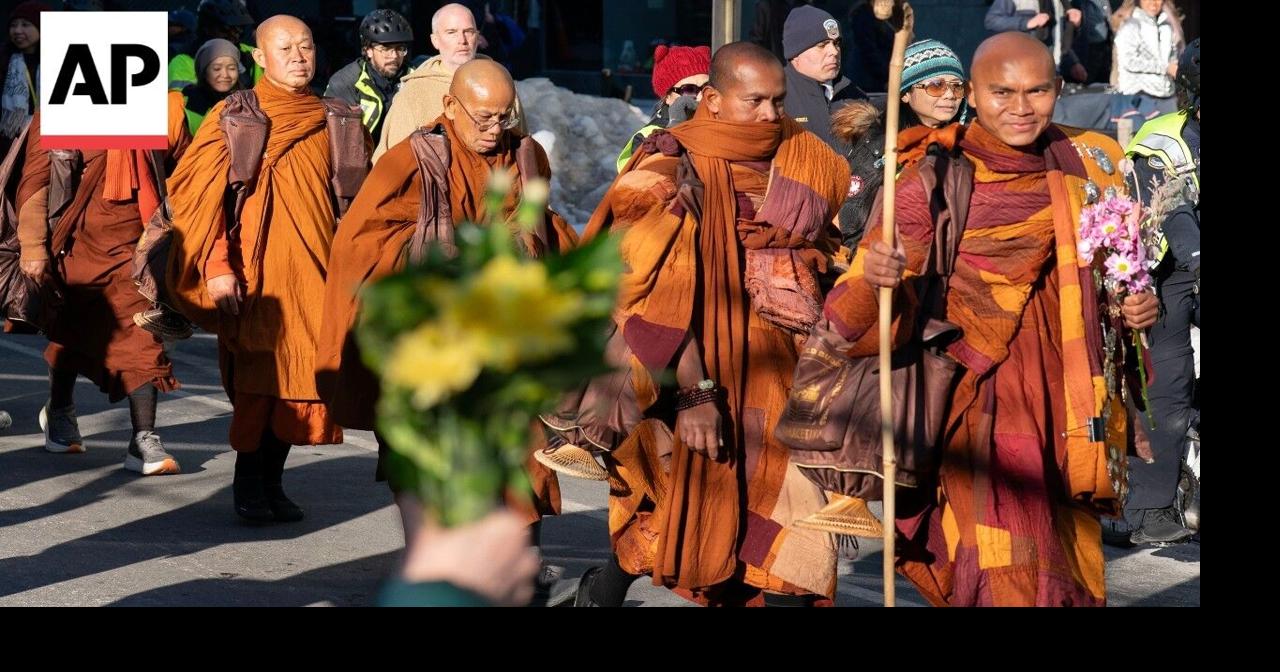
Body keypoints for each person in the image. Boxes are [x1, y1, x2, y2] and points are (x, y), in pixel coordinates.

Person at [822, 32, 1159, 606]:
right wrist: (880, 278)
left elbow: (1112, 277)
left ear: (1059, 90)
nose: (1021, 108)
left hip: (1067, 396)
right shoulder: (930, 179)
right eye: (1002, 92)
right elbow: (848, 314)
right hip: (972, 399)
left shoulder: (1086, 163)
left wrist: (1132, 310)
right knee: (1000, 564)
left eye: (1037, 91)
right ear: (973, 95)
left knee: (1062, 560)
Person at [571, 42, 849, 607]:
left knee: (791, 545)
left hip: (786, 376)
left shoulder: (806, 159)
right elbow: (641, 291)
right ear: (714, 100)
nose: (772, 115)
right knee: (681, 513)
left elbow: (828, 244)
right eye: (756, 102)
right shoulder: (666, 168)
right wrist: (696, 392)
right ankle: (601, 591)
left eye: (777, 100)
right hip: (686, 372)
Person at [166, 15, 370, 522]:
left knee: (303, 382)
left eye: (306, 46)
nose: (299, 56)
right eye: (286, 48)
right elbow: (199, 201)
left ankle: (273, 482)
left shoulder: (336, 116)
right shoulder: (235, 118)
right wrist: (216, 266)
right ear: (259, 57)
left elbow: (356, 202)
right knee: (260, 384)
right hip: (256, 278)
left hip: (317, 272)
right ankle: (247, 484)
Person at [324, 9, 413, 142]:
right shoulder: (345, 82)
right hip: (363, 158)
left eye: (400, 48)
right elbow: (340, 143)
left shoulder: (415, 77)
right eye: (385, 49)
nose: (394, 56)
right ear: (368, 50)